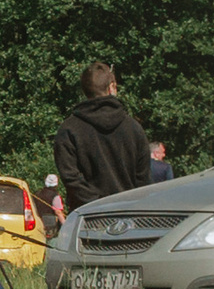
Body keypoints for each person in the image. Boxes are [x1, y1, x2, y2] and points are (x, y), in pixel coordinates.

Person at [53, 62, 150, 214]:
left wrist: (98, 204)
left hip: (88, 219)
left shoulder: (68, 130)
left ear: (84, 90)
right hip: (128, 217)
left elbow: (71, 180)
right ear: (112, 86)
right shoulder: (134, 129)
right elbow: (143, 182)